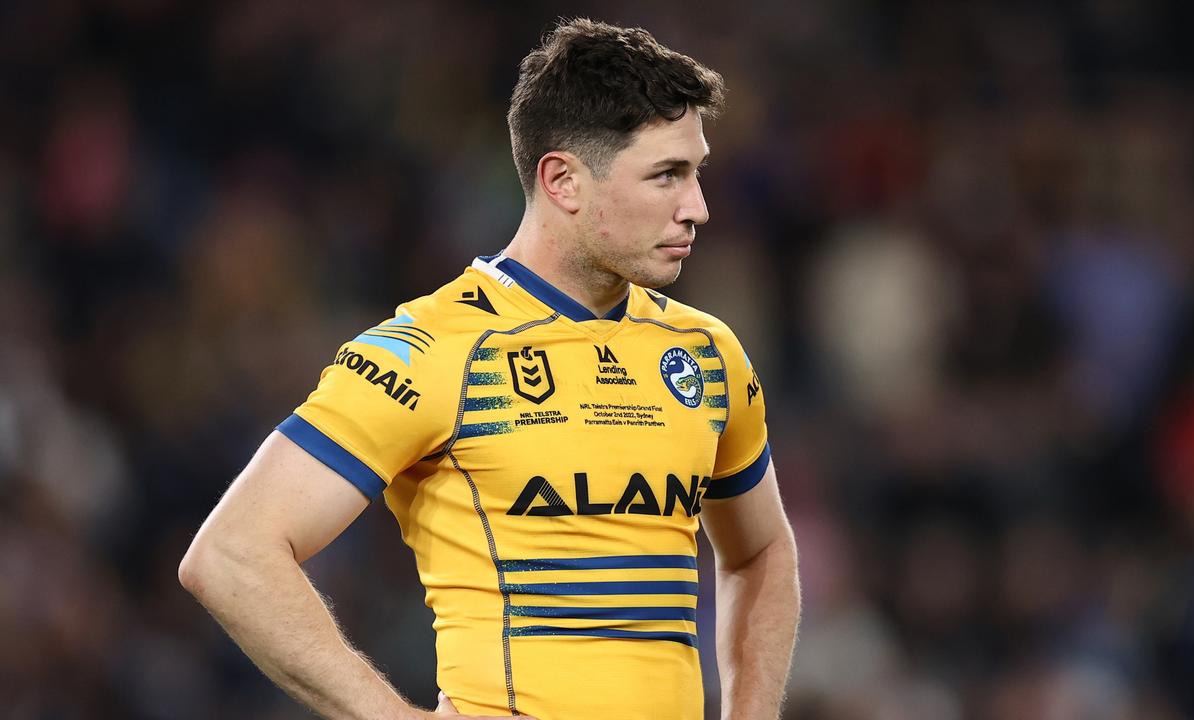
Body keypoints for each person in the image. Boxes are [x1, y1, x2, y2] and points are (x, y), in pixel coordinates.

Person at [179, 17, 800, 720]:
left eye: (696, 173)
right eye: (667, 175)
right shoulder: (436, 348)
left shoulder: (706, 354)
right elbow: (232, 555)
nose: (698, 208)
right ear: (562, 179)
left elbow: (760, 553)